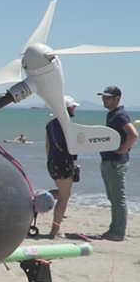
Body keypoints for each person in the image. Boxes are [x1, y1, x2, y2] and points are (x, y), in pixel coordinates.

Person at [97, 86, 138, 241]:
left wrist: (122, 150)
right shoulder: (112, 114)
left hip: (116, 162)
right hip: (109, 161)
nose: (104, 100)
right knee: (113, 198)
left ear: (117, 98)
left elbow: (133, 134)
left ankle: (118, 232)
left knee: (118, 198)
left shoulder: (120, 115)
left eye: (107, 97)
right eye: (103, 98)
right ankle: (114, 229)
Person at [45, 96, 79, 237]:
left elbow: (47, 145)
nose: (74, 109)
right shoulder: (68, 125)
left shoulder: (50, 124)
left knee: (62, 192)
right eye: (73, 107)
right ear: (68, 109)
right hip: (64, 162)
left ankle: (40, 199)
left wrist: (51, 160)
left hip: (52, 162)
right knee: (64, 196)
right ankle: (55, 230)